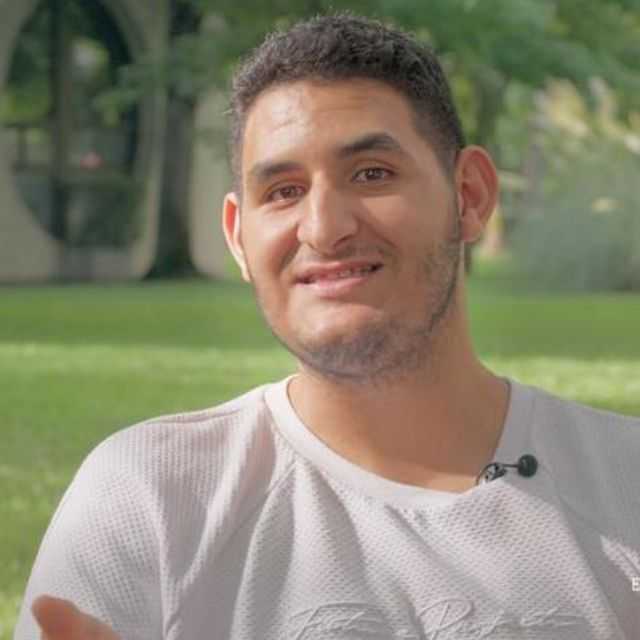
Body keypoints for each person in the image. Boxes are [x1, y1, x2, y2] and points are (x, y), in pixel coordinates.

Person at [15, 13, 640, 640]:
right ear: (238, 236)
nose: (324, 228)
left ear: (469, 196)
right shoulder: (152, 499)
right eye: (283, 191)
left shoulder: (624, 482)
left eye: (371, 174)